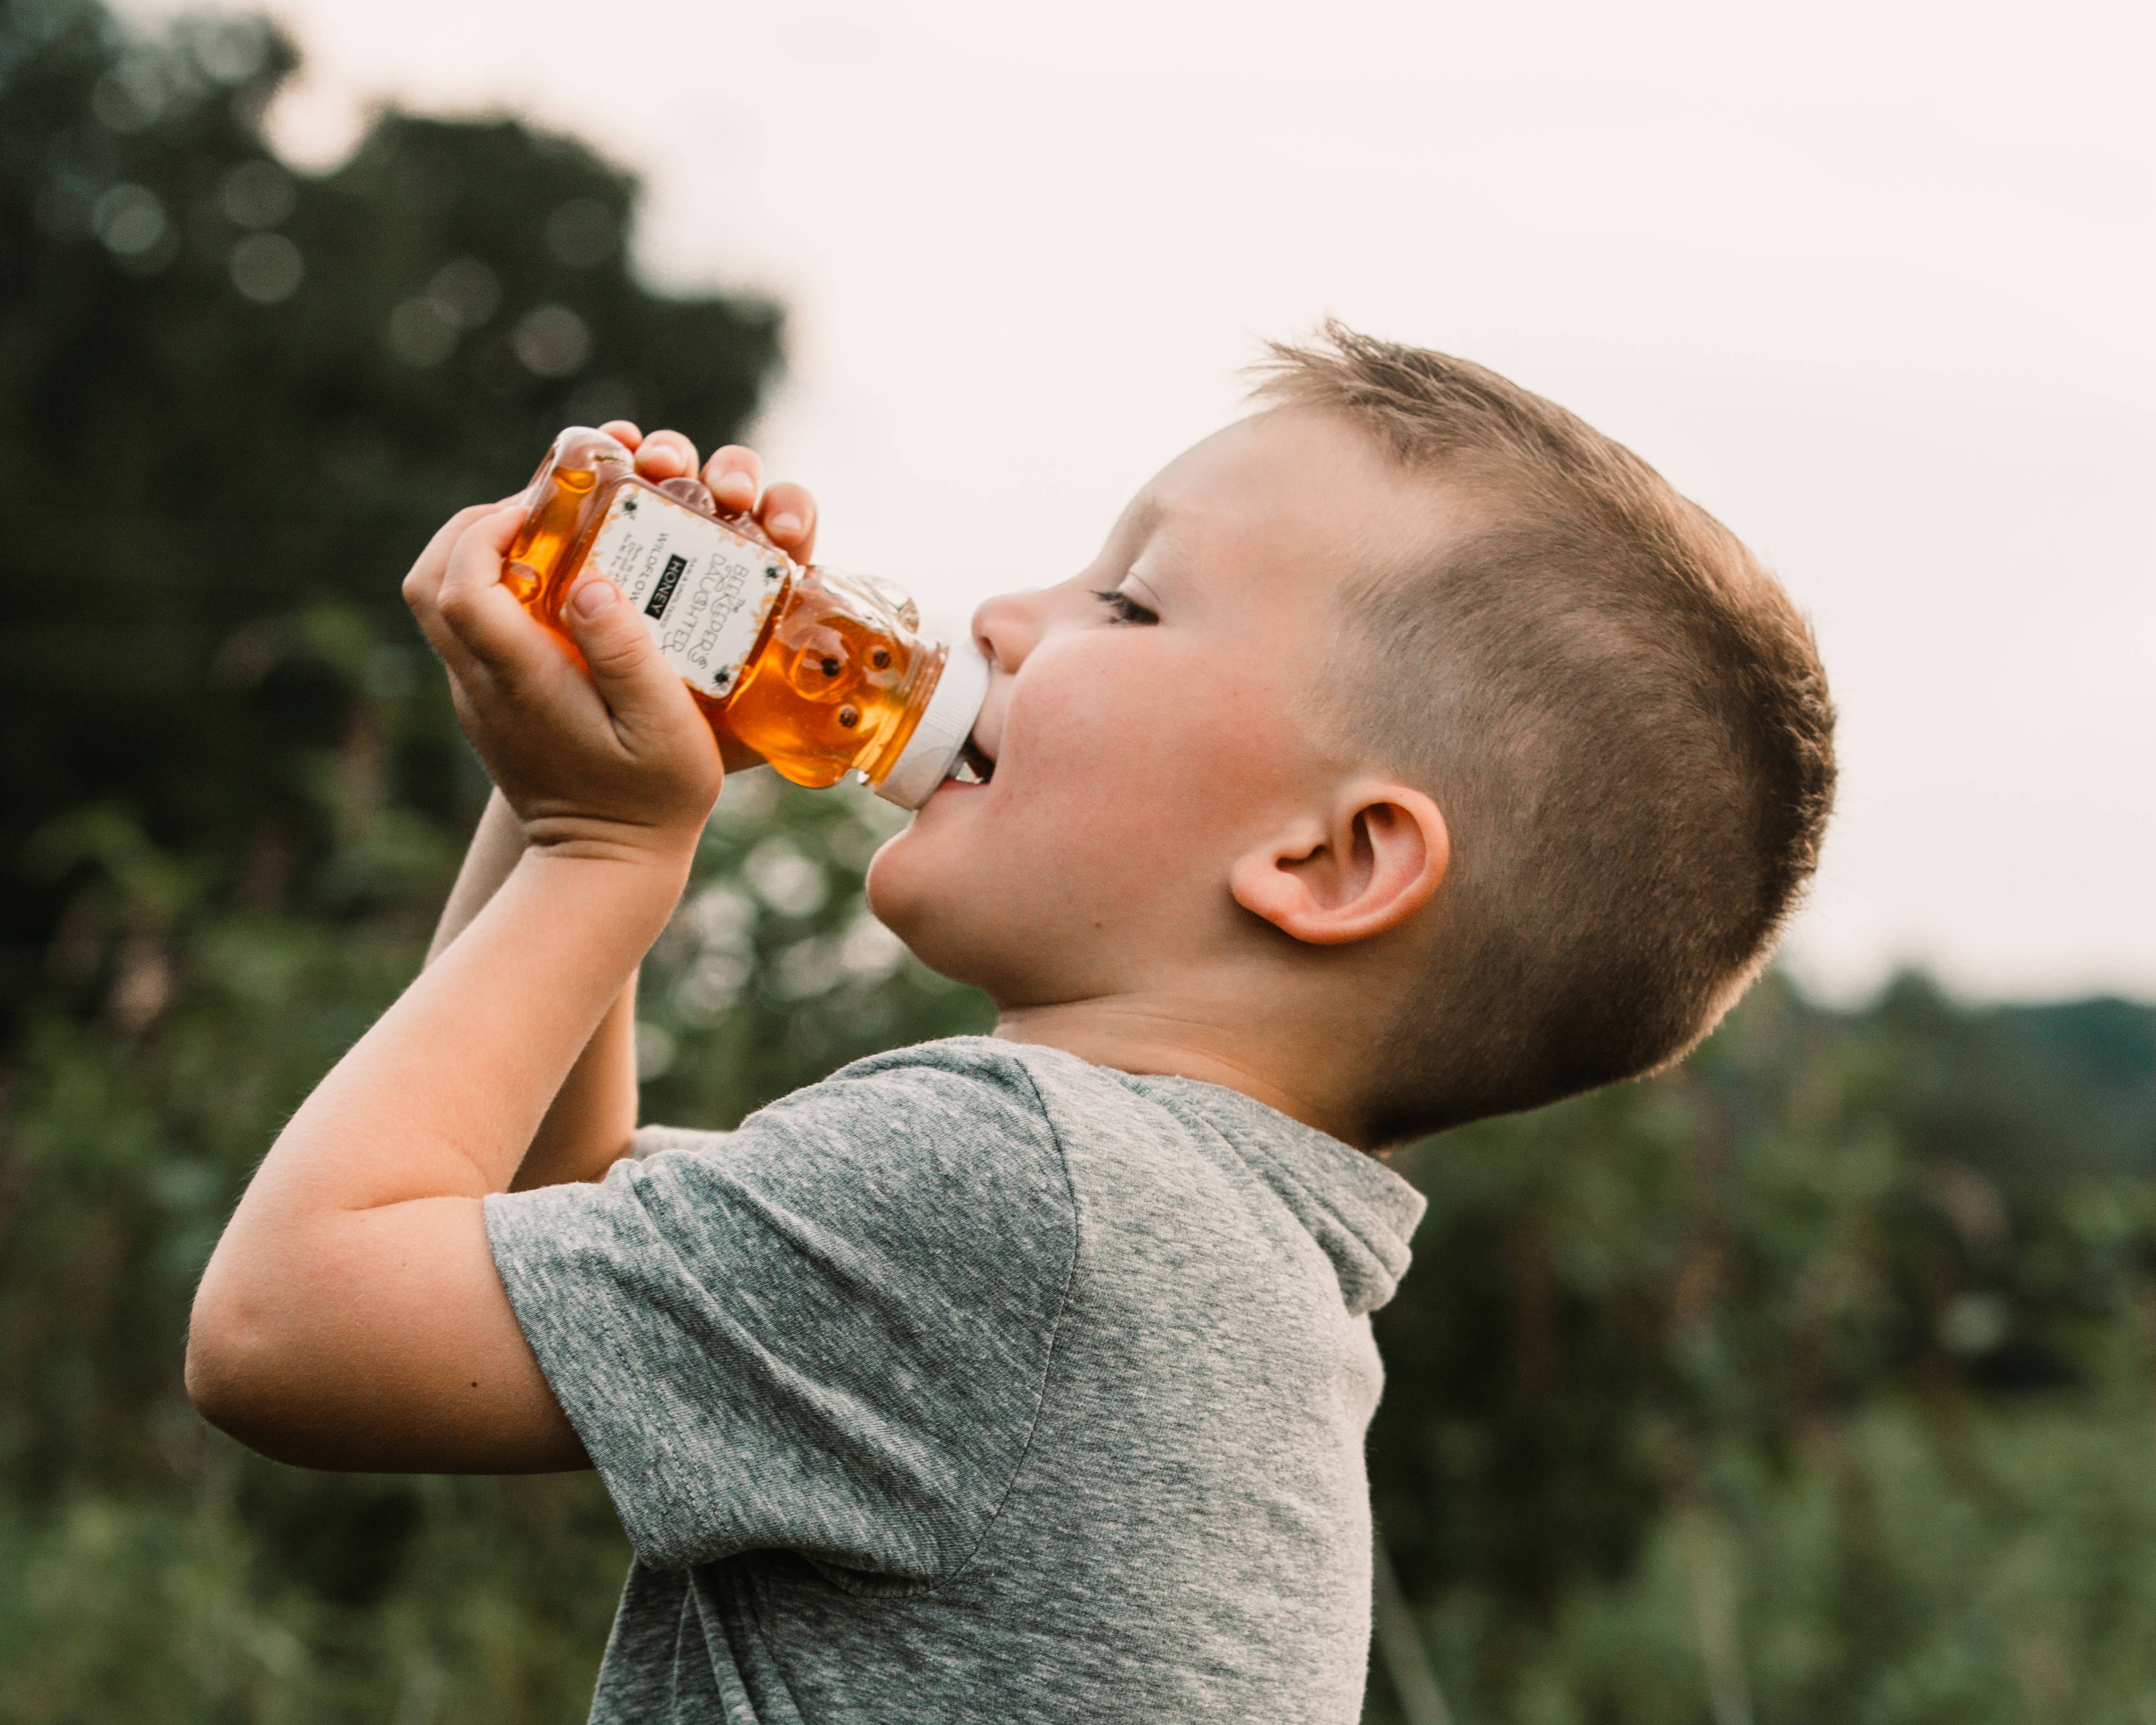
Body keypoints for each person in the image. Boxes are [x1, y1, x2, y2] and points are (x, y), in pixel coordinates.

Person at [185, 323, 1835, 1723]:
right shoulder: (1175, 1239)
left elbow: (289, 1332)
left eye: (1127, 603)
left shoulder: (1029, 1193)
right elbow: (552, 1234)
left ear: (1329, 860)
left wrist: (600, 853)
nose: (997, 619)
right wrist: (574, 796)